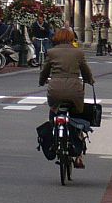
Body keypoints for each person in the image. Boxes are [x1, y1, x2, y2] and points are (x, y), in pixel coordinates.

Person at [38, 27, 95, 168]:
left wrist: (41, 81)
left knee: (54, 111)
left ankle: (54, 137)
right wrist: (90, 80)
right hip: (74, 90)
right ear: (71, 38)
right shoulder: (78, 52)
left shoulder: (51, 52)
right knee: (77, 117)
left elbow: (44, 71)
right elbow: (85, 70)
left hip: (55, 89)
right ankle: (79, 155)